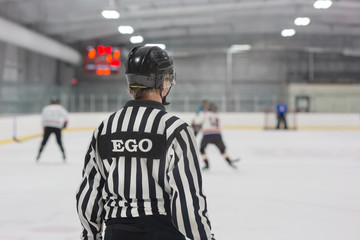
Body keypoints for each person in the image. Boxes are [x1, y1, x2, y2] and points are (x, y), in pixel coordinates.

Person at [76, 46, 215, 240]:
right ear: (163, 82)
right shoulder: (174, 129)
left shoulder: (106, 127)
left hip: (116, 232)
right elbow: (187, 199)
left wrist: (90, 236)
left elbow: (90, 191)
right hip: (164, 231)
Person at [193, 103, 239, 170]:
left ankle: (206, 164)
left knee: (202, 149)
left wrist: (195, 122)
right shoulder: (217, 115)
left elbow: (197, 122)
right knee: (222, 150)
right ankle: (229, 161)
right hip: (217, 134)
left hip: (207, 134)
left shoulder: (204, 113)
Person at [36, 97, 68, 162]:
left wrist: (44, 127)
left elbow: (42, 118)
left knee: (44, 141)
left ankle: (38, 154)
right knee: (59, 141)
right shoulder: (60, 108)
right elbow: (66, 117)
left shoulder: (46, 108)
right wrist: (64, 125)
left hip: (47, 126)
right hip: (56, 126)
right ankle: (63, 155)